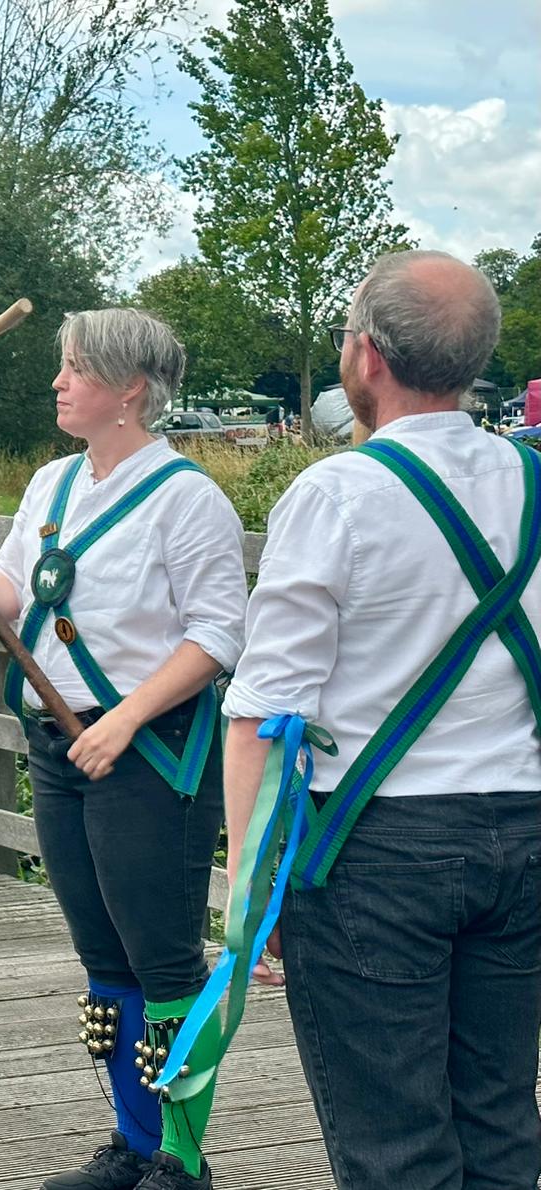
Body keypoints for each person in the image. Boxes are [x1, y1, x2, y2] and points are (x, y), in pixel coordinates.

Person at [222, 251, 541, 1190]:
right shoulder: (536, 483)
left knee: (394, 1146)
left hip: (375, 849)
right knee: (502, 1125)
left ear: (366, 357)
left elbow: (263, 712)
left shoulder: (338, 493)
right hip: (522, 833)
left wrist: (252, 890)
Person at [0, 308, 246, 1190]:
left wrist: (125, 719)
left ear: (131, 391)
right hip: (57, 746)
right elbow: (15, 589)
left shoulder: (188, 499)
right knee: (104, 957)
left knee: (163, 956)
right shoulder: (52, 484)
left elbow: (219, 635)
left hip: (147, 756)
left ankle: (184, 1161)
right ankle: (133, 1142)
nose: (58, 383)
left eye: (75, 369)